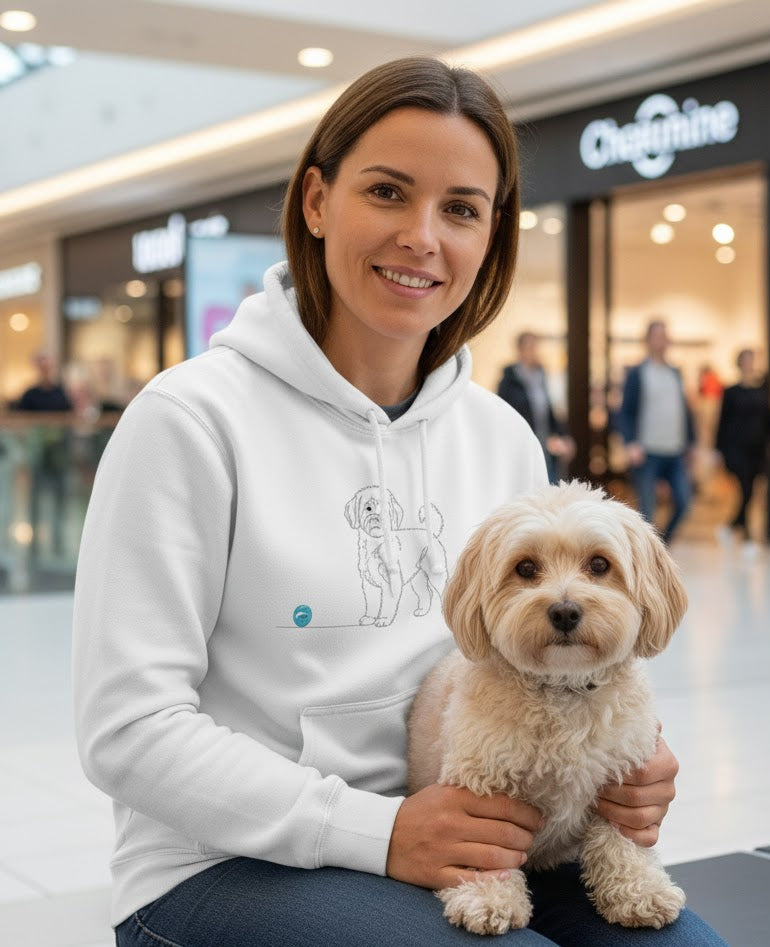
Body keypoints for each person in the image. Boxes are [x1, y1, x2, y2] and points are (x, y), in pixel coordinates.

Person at [72, 57, 726, 947]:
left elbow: (551, 651)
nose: (422, 236)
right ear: (315, 201)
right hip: (225, 866)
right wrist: (377, 831)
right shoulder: (187, 420)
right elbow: (128, 730)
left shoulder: (500, 435)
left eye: (460, 208)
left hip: (481, 834)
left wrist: (625, 770)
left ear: (490, 234)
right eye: (387, 192)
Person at [618, 319, 696, 545]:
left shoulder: (675, 373)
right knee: (647, 511)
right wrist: (630, 442)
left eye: (665, 335)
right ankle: (647, 555)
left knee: (684, 502)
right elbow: (626, 412)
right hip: (647, 451)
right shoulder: (637, 373)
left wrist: (691, 442)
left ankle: (660, 548)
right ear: (648, 340)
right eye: (658, 335)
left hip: (675, 451)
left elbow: (684, 410)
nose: (662, 340)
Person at [714, 349, 770, 554]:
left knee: (751, 490)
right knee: (745, 488)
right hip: (736, 449)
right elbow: (722, 423)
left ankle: (732, 525)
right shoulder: (731, 392)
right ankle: (748, 537)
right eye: (746, 360)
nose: (750, 364)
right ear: (739, 364)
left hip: (757, 450)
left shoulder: (761, 391)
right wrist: (718, 451)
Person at [14, 351, 73, 559]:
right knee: (35, 501)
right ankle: (34, 548)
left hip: (57, 455)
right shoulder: (30, 394)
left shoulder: (60, 392)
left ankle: (57, 545)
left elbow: (70, 417)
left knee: (59, 499)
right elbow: (21, 421)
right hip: (38, 454)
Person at [497, 330, 575, 482]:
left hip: (544, 444)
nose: (535, 351)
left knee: (549, 484)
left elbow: (549, 410)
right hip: (520, 447)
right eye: (531, 347)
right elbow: (503, 414)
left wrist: (563, 436)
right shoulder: (509, 380)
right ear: (520, 350)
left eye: (536, 347)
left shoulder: (541, 375)